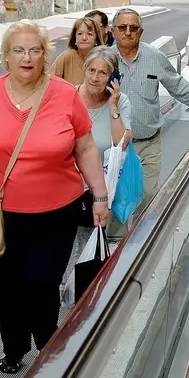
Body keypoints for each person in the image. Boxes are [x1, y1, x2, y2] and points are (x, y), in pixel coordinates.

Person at [0, 20, 110, 374]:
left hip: (56, 211)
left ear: (45, 55)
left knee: (42, 282)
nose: (27, 57)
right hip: (0, 211)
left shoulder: (65, 94)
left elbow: (86, 148)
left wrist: (99, 196)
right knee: (7, 286)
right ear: (6, 56)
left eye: (35, 50)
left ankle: (47, 344)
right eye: (18, 50)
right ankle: (14, 349)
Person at [111, 9, 189, 215]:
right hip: (114, 146)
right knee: (116, 195)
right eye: (122, 27)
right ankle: (115, 242)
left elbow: (177, 85)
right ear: (113, 31)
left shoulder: (154, 57)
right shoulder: (105, 60)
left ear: (141, 32)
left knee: (146, 194)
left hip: (148, 142)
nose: (128, 32)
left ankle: (139, 242)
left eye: (133, 28)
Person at [74, 46, 133, 241]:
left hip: (100, 190)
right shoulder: (69, 98)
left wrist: (113, 107)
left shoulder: (120, 101)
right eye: (91, 70)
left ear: (113, 77)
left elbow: (121, 143)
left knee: (89, 248)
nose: (95, 77)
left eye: (102, 73)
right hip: (68, 188)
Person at [50, 16, 103, 85]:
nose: (84, 38)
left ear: (96, 39)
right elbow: (49, 82)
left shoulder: (103, 60)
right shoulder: (67, 56)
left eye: (89, 34)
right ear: (75, 38)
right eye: (80, 34)